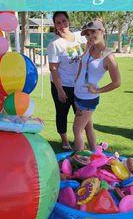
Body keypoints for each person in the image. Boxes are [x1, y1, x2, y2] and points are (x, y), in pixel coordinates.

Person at [73, 19, 121, 151]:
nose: (90, 36)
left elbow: (117, 82)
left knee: (77, 130)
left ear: (102, 31)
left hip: (88, 99)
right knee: (88, 127)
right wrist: (77, 79)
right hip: (78, 94)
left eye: (93, 32)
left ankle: (80, 165)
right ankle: (95, 154)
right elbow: (83, 62)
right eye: (87, 34)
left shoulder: (108, 57)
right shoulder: (90, 47)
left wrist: (98, 90)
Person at [47, 11, 86, 150]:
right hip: (62, 85)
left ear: (68, 21)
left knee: (81, 114)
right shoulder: (54, 44)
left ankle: (79, 140)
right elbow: (53, 69)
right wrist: (60, 90)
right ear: (55, 26)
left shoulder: (80, 36)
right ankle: (64, 141)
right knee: (62, 113)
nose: (62, 24)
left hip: (79, 85)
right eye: (58, 22)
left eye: (64, 21)